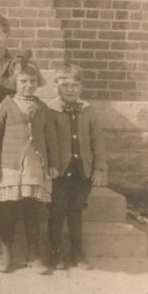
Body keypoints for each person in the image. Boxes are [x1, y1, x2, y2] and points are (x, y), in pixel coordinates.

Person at [0, 59, 59, 274]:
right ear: (15, 82)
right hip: (9, 165)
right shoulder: (5, 105)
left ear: (38, 83)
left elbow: (51, 138)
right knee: (7, 209)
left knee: (32, 208)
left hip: (35, 165)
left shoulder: (42, 108)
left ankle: (33, 253)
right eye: (23, 81)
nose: (28, 85)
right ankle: (5, 250)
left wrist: (54, 164)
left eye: (32, 81)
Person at [47, 62, 107, 271]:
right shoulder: (50, 110)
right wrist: (50, 166)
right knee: (56, 210)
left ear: (81, 88)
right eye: (65, 85)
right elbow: (47, 141)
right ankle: (54, 250)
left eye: (74, 85)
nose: (70, 89)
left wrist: (99, 168)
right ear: (56, 86)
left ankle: (76, 251)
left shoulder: (88, 111)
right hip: (59, 172)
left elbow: (97, 141)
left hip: (82, 172)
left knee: (76, 211)